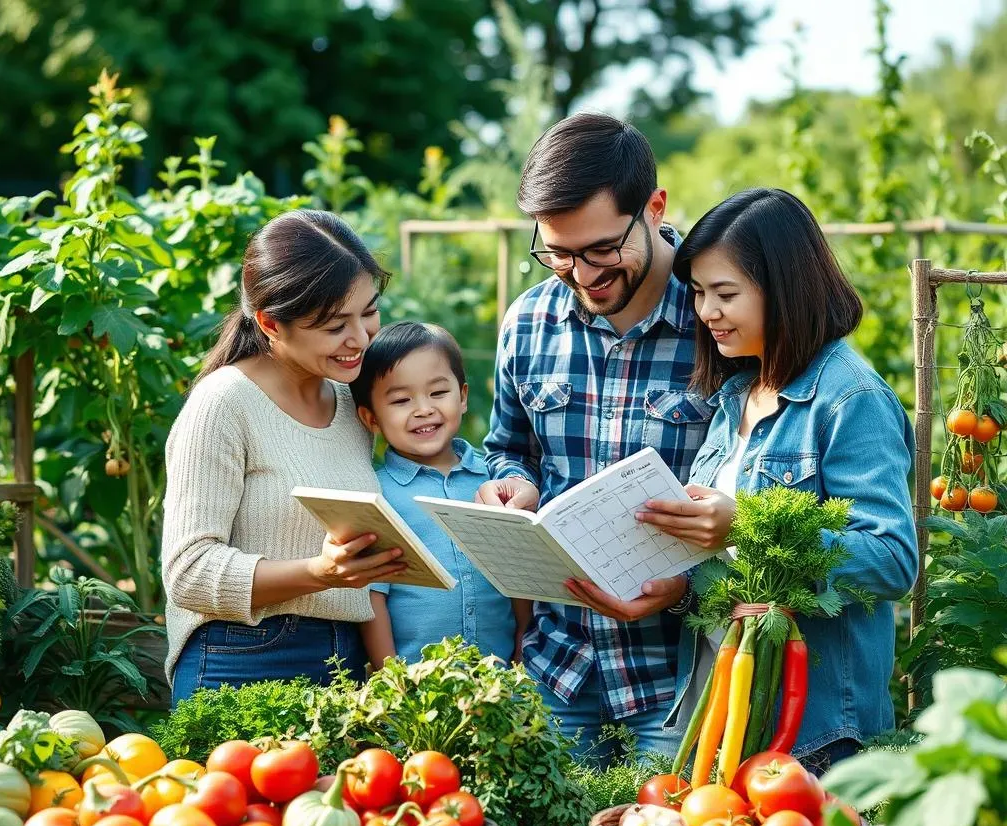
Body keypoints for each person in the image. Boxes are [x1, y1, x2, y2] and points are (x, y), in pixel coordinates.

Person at [585, 187, 919, 773]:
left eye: (725, 294)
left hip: (817, 729)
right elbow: (741, 572)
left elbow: (891, 560)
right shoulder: (738, 392)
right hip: (728, 712)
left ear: (785, 288)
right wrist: (683, 591)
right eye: (698, 294)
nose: (705, 312)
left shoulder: (850, 399)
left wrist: (746, 525)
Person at [477, 112, 713, 767]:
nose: (580, 273)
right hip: (559, 667)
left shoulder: (717, 320)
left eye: (601, 248)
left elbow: (755, 492)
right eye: (557, 252)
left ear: (654, 207)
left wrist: (693, 584)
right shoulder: (528, 322)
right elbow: (509, 445)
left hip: (678, 674)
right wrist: (513, 484)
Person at [161, 210, 406, 705]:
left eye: (369, 311)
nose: (360, 337)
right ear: (271, 323)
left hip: (344, 661)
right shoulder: (224, 404)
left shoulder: (347, 402)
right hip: (243, 657)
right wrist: (318, 572)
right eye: (336, 325)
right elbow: (187, 572)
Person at [350, 321, 532, 667]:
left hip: (501, 679)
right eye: (402, 400)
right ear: (370, 418)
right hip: (416, 683)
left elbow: (517, 573)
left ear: (462, 396)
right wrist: (392, 677)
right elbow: (373, 598)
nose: (424, 409)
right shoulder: (378, 496)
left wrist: (524, 644)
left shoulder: (494, 481)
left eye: (438, 393)